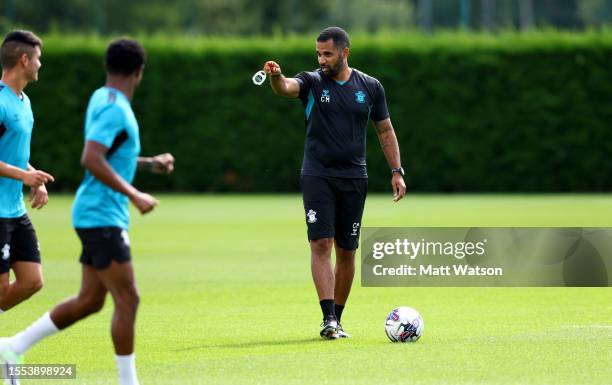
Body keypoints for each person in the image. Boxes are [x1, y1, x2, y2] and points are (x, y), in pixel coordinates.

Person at [0, 38, 174, 385]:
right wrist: (135, 194)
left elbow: (110, 156)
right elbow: (91, 159)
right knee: (128, 296)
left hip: (88, 212)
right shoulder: (115, 108)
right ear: (138, 72)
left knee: (91, 299)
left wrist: (149, 164)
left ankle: (12, 346)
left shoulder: (101, 97)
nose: (41, 64)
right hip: (101, 214)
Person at [263, 26, 406, 339]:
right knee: (321, 244)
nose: (322, 59)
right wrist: (276, 76)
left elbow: (385, 130)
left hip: (355, 177)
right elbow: (286, 87)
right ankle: (327, 318)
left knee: (347, 251)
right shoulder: (312, 81)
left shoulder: (370, 86)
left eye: (327, 53)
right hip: (318, 175)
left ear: (345, 52)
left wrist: (396, 170)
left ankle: (338, 318)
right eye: (318, 53)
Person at [0, 30, 54, 316]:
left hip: (15, 210)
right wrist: (23, 177)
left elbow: (14, 153)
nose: (40, 65)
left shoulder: (24, 101)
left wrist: (34, 178)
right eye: (38, 59)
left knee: (33, 281)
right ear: (24, 59)